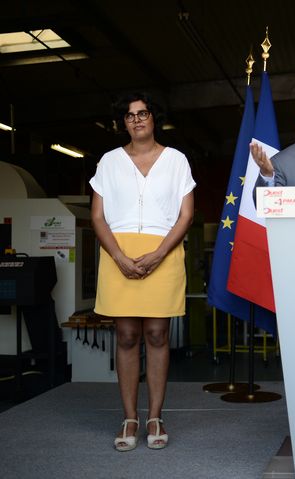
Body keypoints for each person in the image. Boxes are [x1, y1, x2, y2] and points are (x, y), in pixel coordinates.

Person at [89, 92, 196, 451]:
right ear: (124, 123)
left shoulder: (177, 160)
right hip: (118, 253)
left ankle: (155, 415)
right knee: (127, 336)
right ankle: (129, 417)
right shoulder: (108, 162)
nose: (137, 120)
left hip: (162, 252)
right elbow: (97, 216)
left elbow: (186, 215)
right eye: (130, 116)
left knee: (156, 335)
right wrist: (118, 256)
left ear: (155, 118)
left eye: (143, 113)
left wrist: (159, 253)